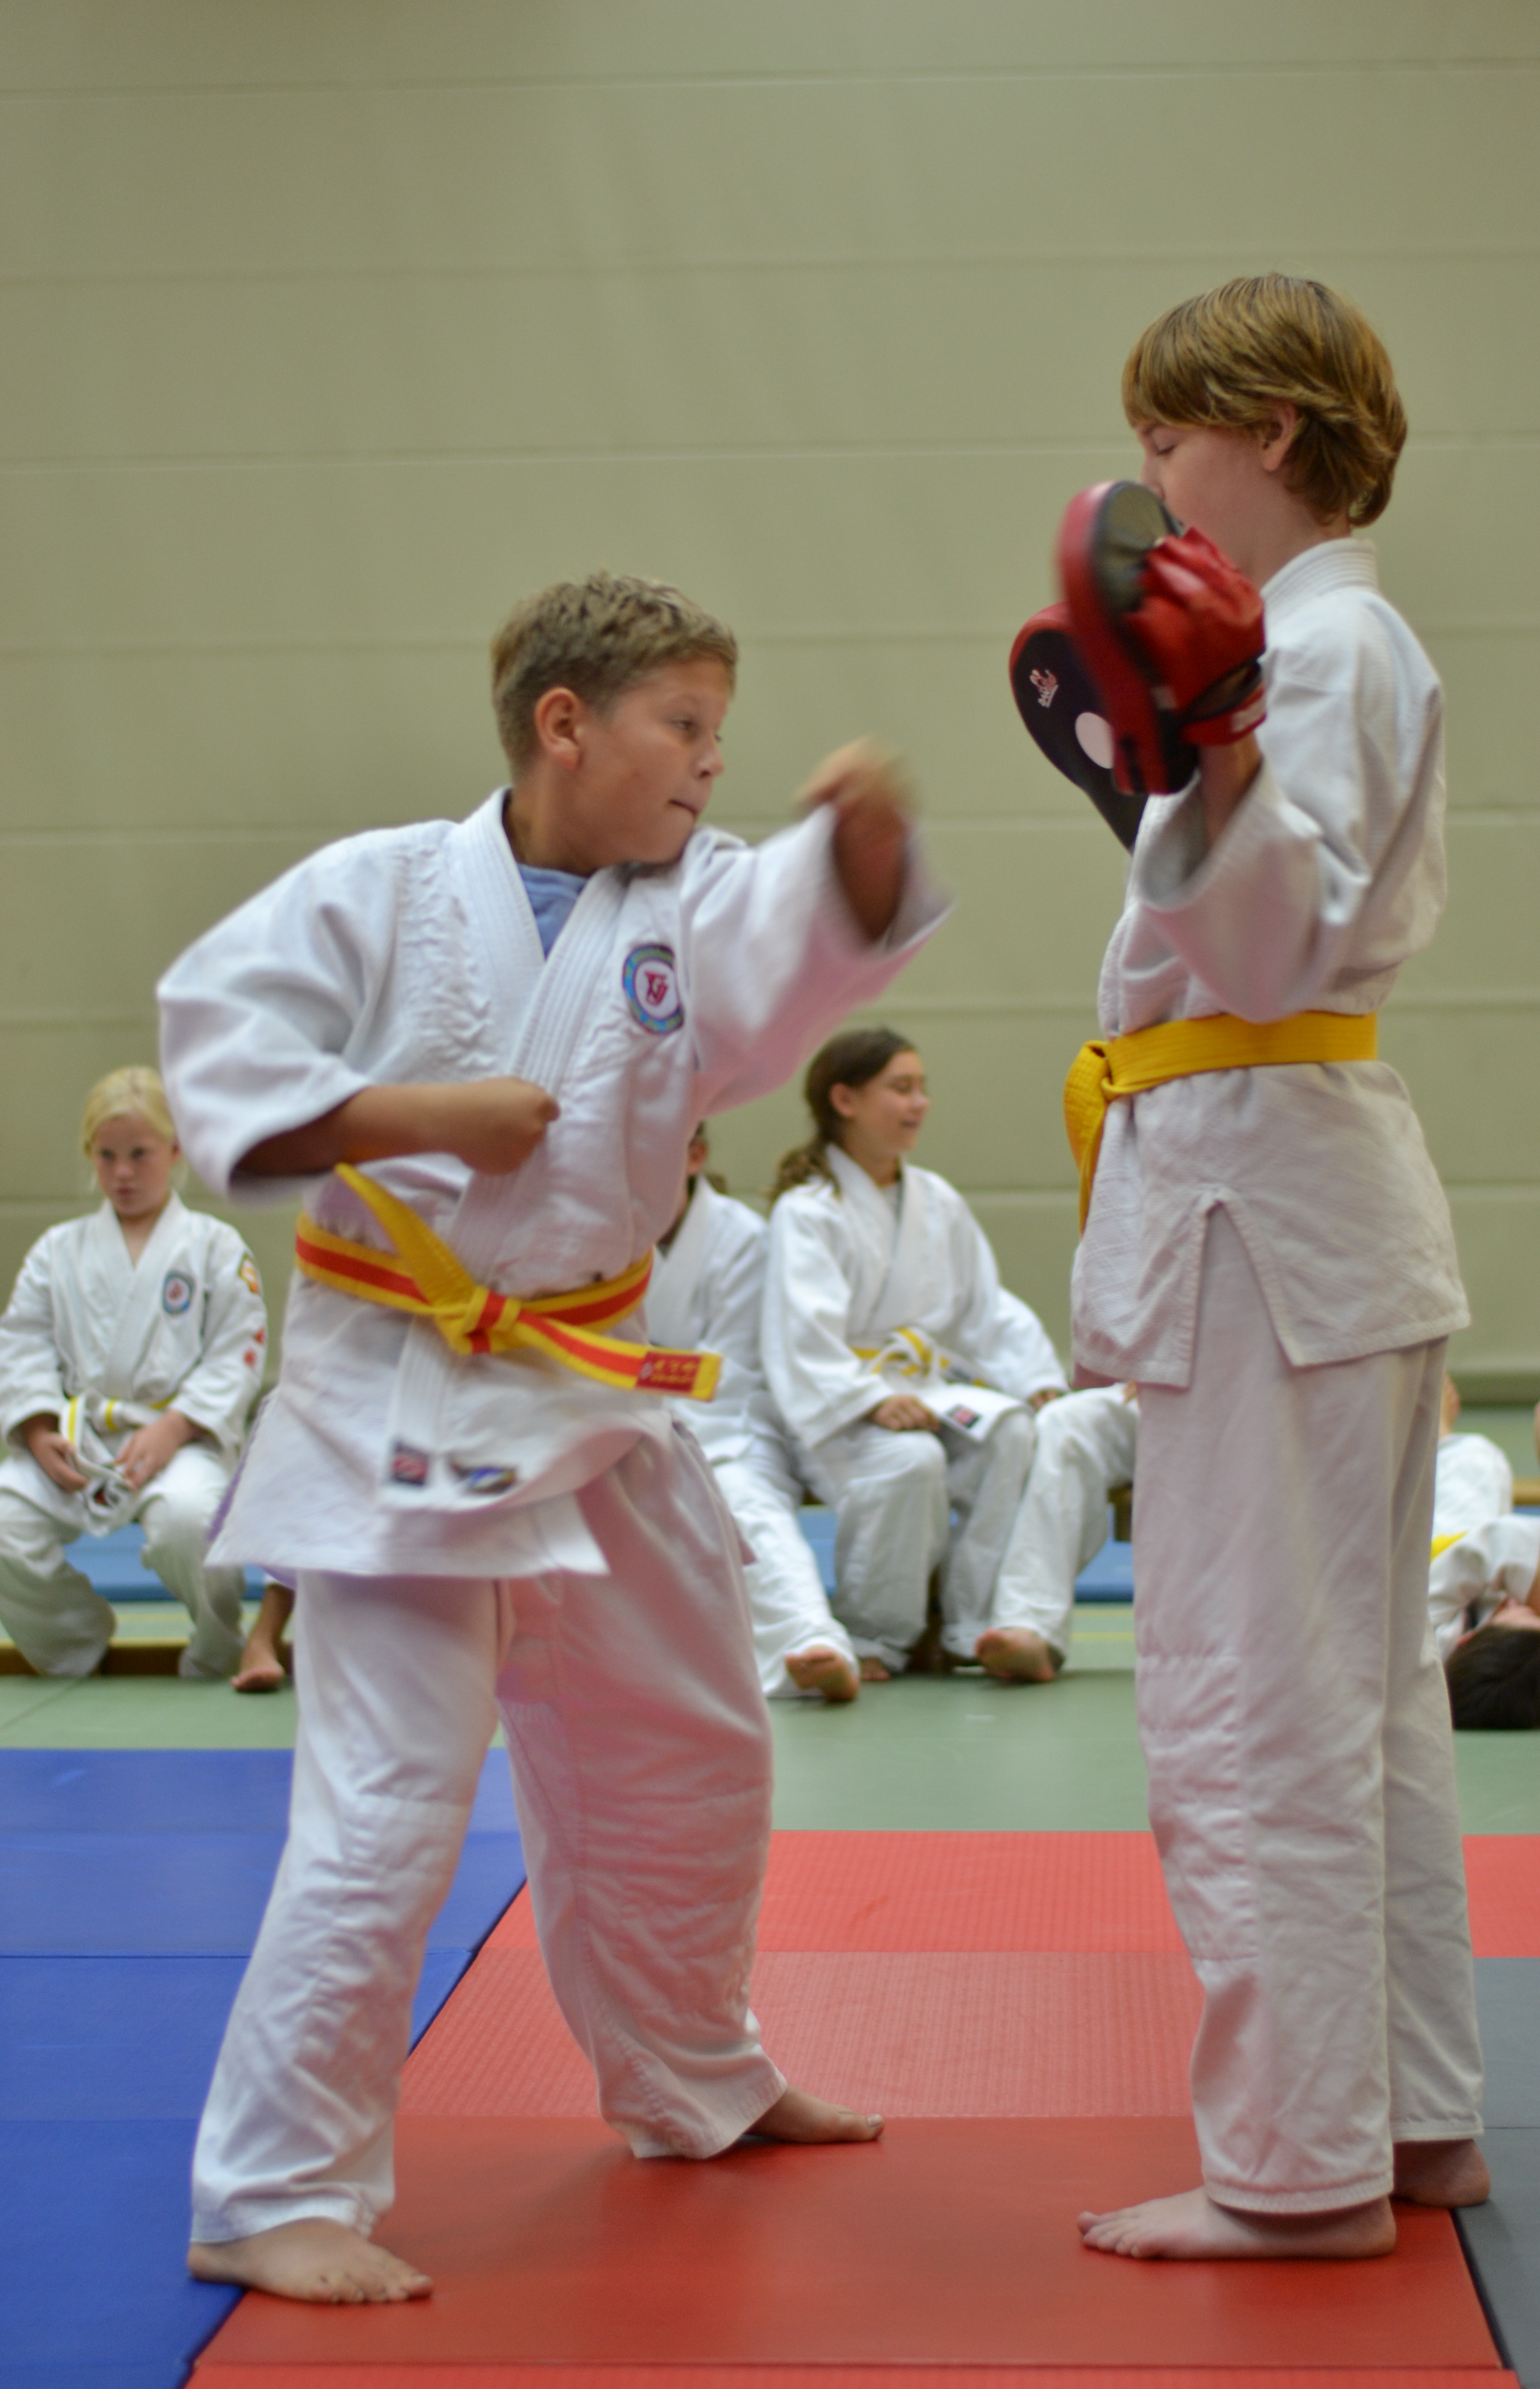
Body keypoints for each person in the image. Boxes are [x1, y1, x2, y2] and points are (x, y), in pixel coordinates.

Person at [158, 569, 944, 2306]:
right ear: (563, 725)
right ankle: (272, 2186)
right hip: (402, 1398)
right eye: (684, 725)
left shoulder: (693, 895)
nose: (713, 764)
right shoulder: (379, 889)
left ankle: (693, 2076)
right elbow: (214, 1053)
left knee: (694, 1752)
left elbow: (792, 962)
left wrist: (865, 857)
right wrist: (417, 1110)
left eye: (724, 732)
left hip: (596, 1388)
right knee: (391, 1807)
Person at [1054, 277, 1487, 2261]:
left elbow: (1257, 947)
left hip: (1264, 1212)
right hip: (1309, 1207)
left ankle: (1295, 2169)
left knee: (1247, 1702)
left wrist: (1209, 747)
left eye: (1170, 436)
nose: (1150, 477)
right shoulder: (1327, 645)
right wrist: (1173, 763)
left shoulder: (1312, 645)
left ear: (1272, 431)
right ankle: (1407, 2115)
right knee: (1361, 1703)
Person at [762, 1029, 1087, 1683]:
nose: (920, 1103)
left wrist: (1035, 1378)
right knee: (913, 1460)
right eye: (901, 1088)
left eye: (922, 1088)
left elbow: (985, 1307)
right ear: (845, 1101)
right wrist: (872, 1400)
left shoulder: (936, 1200)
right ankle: (875, 1635)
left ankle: (973, 1625)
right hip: (841, 1407)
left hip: (927, 1390)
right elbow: (802, 1332)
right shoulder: (808, 1210)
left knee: (1013, 1433)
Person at [0, 1066, 265, 1679]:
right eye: (107, 1156)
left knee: (191, 1520)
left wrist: (176, 1427)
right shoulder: (56, 1251)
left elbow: (238, 1351)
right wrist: (37, 1429)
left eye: (140, 1154)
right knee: (6, 1520)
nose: (123, 1172)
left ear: (175, 1152)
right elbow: (21, 1343)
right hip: (78, 1441)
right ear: (89, 1155)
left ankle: (217, 1646)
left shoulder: (216, 1247)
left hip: (179, 1440)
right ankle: (74, 1640)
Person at [650, 1128, 858, 1703]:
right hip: (614, 1422)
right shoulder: (600, 1238)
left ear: (695, 1156)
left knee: (746, 1502)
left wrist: (634, 1373)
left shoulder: (740, 1237)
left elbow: (727, 1371)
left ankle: (814, 1640)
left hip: (728, 1424)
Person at [1431, 1377, 1540, 1727]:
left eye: (1532, 1619)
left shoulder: (1424, 1636)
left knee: (1475, 1472)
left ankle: (1440, 1434)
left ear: (1469, 1640)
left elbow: (1507, 1539)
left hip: (1439, 1549)